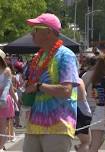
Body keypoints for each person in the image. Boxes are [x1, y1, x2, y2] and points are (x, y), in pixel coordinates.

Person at [23, 13, 80, 152]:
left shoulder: (66, 55)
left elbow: (66, 91)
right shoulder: (39, 56)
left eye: (36, 29)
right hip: (35, 125)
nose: (32, 34)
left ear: (48, 31)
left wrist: (39, 86)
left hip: (58, 125)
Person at [0, 49, 14, 151]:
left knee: (2, 125)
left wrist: (17, 101)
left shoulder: (7, 70)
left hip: (3, 100)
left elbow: (10, 88)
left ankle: (1, 147)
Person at [74, 78, 92, 152]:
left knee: (86, 142)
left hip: (72, 112)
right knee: (86, 142)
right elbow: (82, 96)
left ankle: (80, 148)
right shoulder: (78, 80)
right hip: (82, 113)